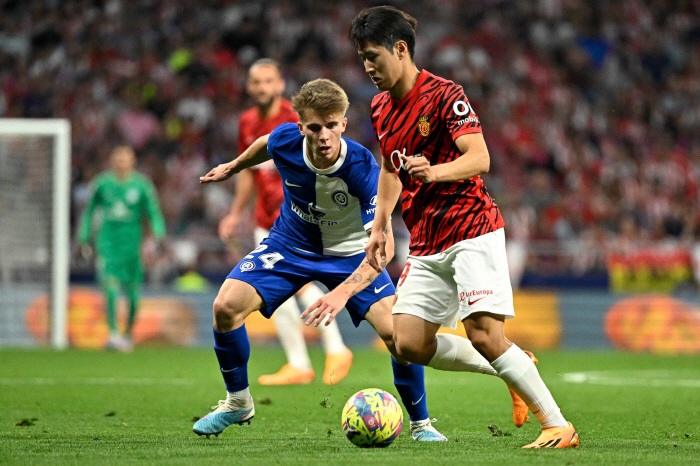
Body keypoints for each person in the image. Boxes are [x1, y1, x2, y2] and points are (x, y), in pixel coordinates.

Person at [347, 6, 579, 449]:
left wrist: (433, 172)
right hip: (426, 239)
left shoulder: (445, 94)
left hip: (471, 227)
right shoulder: (380, 107)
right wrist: (379, 226)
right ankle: (514, 366)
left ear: (400, 49)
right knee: (406, 343)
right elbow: (390, 168)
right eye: (362, 58)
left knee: (485, 335)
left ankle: (557, 425)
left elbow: (479, 157)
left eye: (373, 56)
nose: (368, 67)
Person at [195, 79, 447, 441]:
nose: (324, 136)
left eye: (331, 125)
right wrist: (233, 166)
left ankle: (421, 424)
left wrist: (341, 294)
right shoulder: (285, 140)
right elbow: (266, 144)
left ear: (343, 123)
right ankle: (238, 402)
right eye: (314, 127)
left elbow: (384, 250)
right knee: (225, 307)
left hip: (351, 254)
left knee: (399, 338)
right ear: (301, 127)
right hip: (290, 245)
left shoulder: (362, 167)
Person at [218, 58, 352, 386]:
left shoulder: (297, 120)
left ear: (280, 85)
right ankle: (299, 363)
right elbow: (249, 170)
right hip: (265, 220)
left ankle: (336, 347)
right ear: (249, 87)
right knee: (274, 293)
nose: (262, 87)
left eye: (269, 81)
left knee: (297, 283)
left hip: (298, 218)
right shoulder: (247, 122)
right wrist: (235, 212)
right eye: (256, 82)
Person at [78, 146, 166, 352]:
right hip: (108, 244)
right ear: (111, 161)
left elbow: (153, 211)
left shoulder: (142, 185)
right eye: (118, 159)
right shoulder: (102, 183)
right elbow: (89, 211)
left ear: (133, 161)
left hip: (133, 247)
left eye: (125, 159)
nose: (121, 163)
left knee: (133, 295)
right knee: (110, 287)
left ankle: (127, 334)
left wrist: (159, 234)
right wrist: (83, 237)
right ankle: (113, 334)